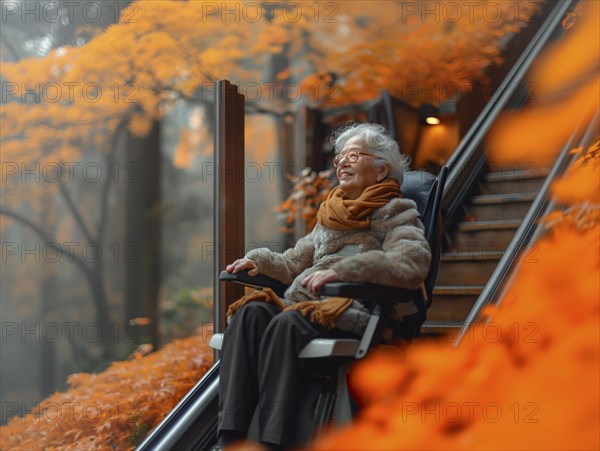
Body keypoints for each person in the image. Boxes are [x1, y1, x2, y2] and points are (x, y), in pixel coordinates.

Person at [215, 123, 431, 450]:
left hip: (350, 309)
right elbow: (295, 261)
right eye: (339, 157)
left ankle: (274, 442)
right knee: (251, 313)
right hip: (306, 305)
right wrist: (260, 263)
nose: (341, 162)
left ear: (381, 168)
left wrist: (347, 271)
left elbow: (411, 262)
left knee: (286, 322)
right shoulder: (331, 213)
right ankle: (229, 438)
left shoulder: (396, 211)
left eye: (354, 156)